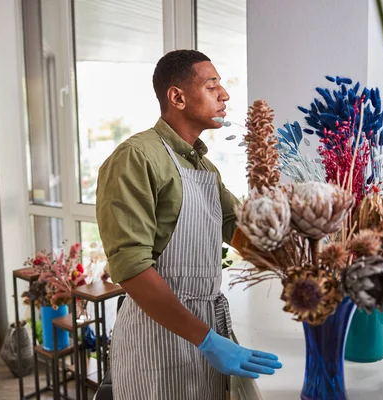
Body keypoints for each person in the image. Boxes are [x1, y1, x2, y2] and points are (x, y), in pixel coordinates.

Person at [96, 49, 281, 400]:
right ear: (177, 97)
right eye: (212, 86)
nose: (224, 95)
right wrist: (207, 340)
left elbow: (242, 233)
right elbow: (131, 268)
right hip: (156, 340)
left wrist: (310, 253)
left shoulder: (204, 169)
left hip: (203, 333)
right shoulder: (136, 157)